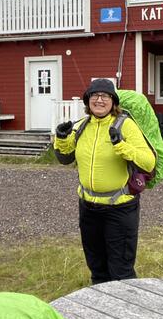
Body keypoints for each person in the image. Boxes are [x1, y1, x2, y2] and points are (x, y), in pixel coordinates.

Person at [53, 79, 155, 284]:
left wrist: (122, 145)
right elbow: (65, 158)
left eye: (105, 96)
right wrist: (62, 138)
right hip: (89, 208)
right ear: (88, 101)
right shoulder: (81, 126)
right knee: (97, 267)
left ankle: (125, 311)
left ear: (113, 101)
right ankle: (99, 310)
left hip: (120, 209)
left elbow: (149, 162)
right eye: (94, 95)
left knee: (121, 271)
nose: (99, 100)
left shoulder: (125, 125)